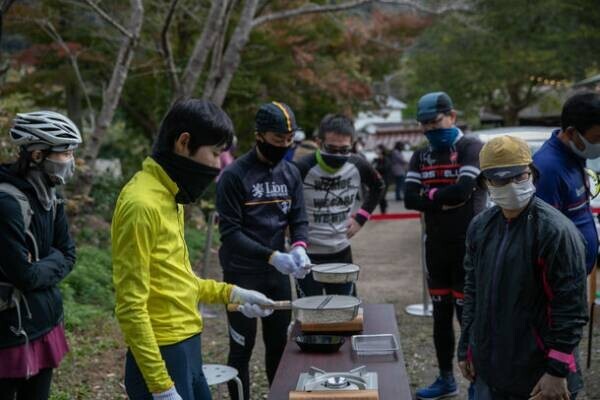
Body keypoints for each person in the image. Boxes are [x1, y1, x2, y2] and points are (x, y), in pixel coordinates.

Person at [112, 99, 275, 400]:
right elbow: (130, 305)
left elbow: (175, 281)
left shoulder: (169, 195)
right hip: (162, 352)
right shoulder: (141, 204)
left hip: (187, 343)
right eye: (214, 153)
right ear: (184, 142)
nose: (217, 165)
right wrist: (161, 387)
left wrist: (232, 294)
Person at [458, 135, 588, 400]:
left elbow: (571, 306)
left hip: (539, 375)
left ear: (532, 174)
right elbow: (473, 290)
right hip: (490, 367)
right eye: (501, 180)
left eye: (520, 176)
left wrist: (557, 369)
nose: (512, 186)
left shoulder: (555, 231)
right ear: (485, 183)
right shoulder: (480, 227)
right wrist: (467, 348)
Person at [216, 101, 309, 400]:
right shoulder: (234, 175)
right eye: (277, 139)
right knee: (241, 347)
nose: (284, 145)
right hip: (241, 273)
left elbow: (298, 218)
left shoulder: (291, 172)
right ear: (259, 136)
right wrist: (271, 255)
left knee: (280, 348)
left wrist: (299, 246)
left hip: (278, 275)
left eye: (289, 139)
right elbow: (230, 233)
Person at [404, 92, 485, 399]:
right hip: (436, 247)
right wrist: (442, 198)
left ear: (452, 116)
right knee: (440, 319)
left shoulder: (470, 146)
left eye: (434, 122)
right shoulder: (421, 155)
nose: (429, 130)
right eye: (423, 124)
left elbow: (464, 191)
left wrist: (431, 198)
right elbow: (410, 198)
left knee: (469, 318)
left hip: (469, 247)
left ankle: (479, 383)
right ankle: (446, 378)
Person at [0, 111, 80, 400]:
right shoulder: (7, 203)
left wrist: (41, 266)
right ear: (36, 155)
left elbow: (69, 254)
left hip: (44, 323)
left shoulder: (52, 196)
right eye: (65, 152)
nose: (70, 160)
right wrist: (47, 265)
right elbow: (24, 274)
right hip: (10, 332)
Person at [294, 114, 385, 296]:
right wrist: (289, 229)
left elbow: (379, 186)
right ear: (319, 142)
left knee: (345, 314)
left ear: (352, 144)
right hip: (307, 254)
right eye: (331, 148)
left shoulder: (358, 164)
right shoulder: (302, 167)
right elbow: (283, 199)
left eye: (344, 150)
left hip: (341, 250)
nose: (337, 155)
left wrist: (360, 219)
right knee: (312, 316)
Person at [533, 92, 600, 275]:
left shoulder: (576, 155)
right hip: (561, 284)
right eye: (596, 138)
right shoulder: (547, 169)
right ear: (571, 133)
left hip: (576, 275)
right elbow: (543, 239)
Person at [372, 144, 391, 213]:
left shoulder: (386, 159)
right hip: (379, 180)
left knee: (382, 196)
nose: (377, 151)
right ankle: (383, 211)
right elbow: (371, 167)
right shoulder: (376, 159)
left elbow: (385, 168)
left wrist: (376, 168)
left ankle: (384, 210)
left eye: (378, 149)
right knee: (381, 196)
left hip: (385, 180)